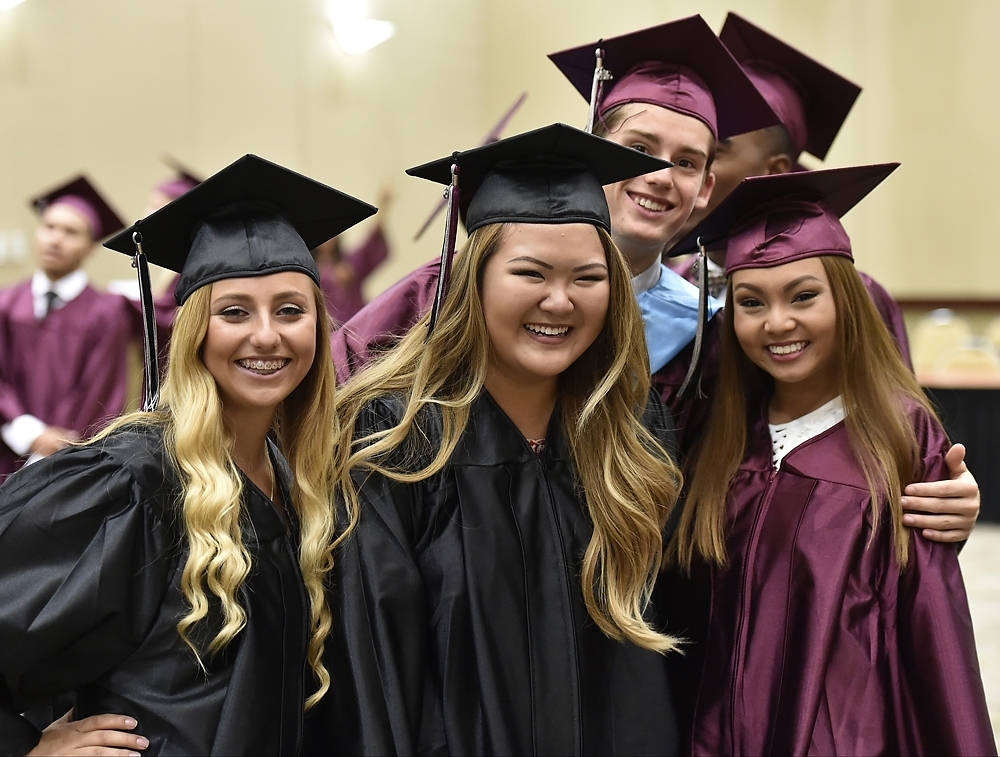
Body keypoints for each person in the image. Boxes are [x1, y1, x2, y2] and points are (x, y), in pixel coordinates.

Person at [307, 125, 684, 755]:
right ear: (474, 278)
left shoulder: (633, 432)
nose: (559, 301)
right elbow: (375, 670)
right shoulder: (395, 438)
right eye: (530, 273)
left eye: (587, 278)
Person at [0, 154, 376, 755]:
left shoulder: (299, 480)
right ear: (195, 328)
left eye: (290, 310)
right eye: (233, 312)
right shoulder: (129, 480)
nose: (266, 335)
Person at [665, 165, 996, 756]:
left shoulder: (898, 436)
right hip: (709, 731)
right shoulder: (718, 439)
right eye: (751, 302)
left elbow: (932, 627)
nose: (778, 323)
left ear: (846, 300)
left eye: (804, 296)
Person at [332, 15, 777, 383]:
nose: (660, 175)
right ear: (596, 152)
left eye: (685, 163)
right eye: (639, 150)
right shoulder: (449, 288)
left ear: (705, 189)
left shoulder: (701, 333)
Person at [668, 12, 911, 366]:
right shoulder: (671, 287)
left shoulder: (853, 298)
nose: (685, 170)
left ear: (776, 170)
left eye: (714, 153)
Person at [0, 175, 132, 478]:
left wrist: (54, 445)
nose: (55, 239)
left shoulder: (106, 313)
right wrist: (29, 433)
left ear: (90, 248)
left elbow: (101, 392)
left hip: (68, 467)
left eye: (71, 232)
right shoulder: (5, 305)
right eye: (49, 227)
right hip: (6, 453)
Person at [312, 186, 392, 326]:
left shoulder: (349, 262)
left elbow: (373, 240)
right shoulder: (307, 267)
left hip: (356, 327)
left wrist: (383, 203)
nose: (328, 238)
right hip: (325, 332)